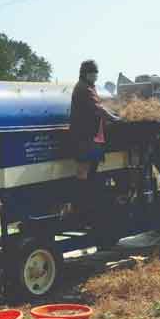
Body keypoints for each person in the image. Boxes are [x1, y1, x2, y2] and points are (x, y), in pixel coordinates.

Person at [68, 59, 121, 223]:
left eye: (96, 73)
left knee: (89, 171)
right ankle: (81, 207)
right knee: (83, 170)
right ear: (85, 73)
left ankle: (86, 204)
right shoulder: (83, 88)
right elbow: (98, 108)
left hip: (90, 136)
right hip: (84, 137)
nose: (95, 76)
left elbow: (99, 105)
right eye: (93, 73)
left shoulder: (89, 87)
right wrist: (115, 118)